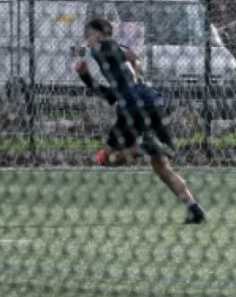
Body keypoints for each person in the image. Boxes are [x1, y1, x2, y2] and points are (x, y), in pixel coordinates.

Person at [74, 17, 206, 224]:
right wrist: (85, 76)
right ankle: (193, 207)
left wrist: (116, 53)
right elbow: (110, 95)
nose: (87, 40)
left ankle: (142, 148)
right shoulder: (116, 60)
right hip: (153, 103)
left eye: (89, 35)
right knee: (161, 165)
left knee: (105, 158)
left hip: (132, 108)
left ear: (98, 34)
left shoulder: (103, 47)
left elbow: (119, 53)